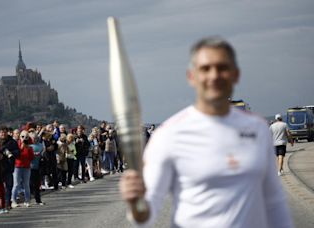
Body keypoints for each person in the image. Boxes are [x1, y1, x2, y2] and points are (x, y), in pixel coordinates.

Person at [119, 37, 293, 227]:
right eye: (205, 68)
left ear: (235, 74)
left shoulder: (257, 128)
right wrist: (135, 204)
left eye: (222, 68)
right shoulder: (168, 135)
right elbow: (147, 213)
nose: (214, 75)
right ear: (191, 76)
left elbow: (274, 203)